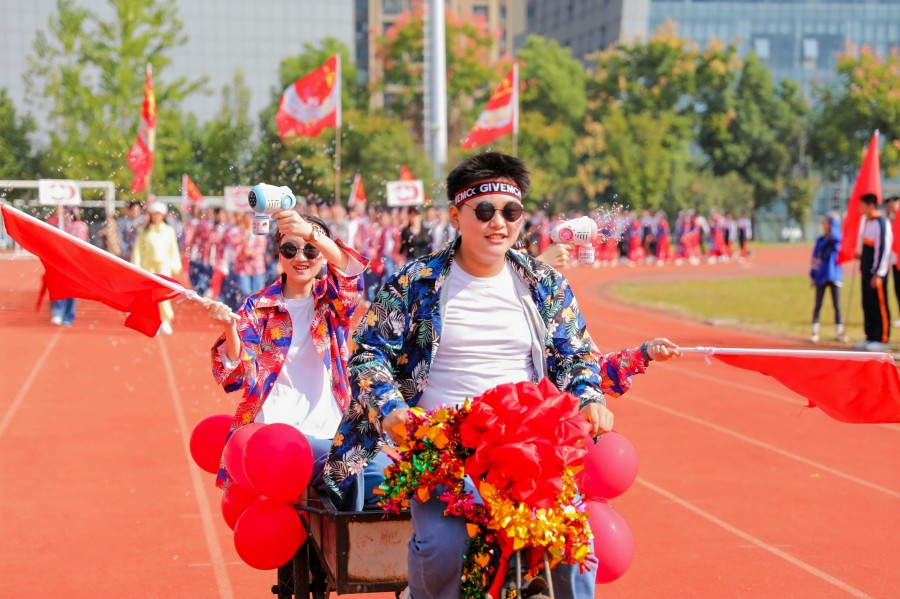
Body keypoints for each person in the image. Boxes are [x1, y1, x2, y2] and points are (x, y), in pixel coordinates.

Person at [325, 152, 681, 599]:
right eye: (484, 211)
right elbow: (368, 354)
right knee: (443, 547)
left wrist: (590, 397)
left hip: (530, 446)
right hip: (444, 445)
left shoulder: (544, 283)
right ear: (456, 215)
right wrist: (391, 408)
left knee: (574, 549)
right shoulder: (415, 282)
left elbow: (575, 356)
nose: (499, 223)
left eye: (511, 212)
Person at [206, 210, 388, 508]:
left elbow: (351, 272)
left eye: (310, 249)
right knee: (344, 472)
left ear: (323, 254)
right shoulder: (258, 306)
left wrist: (311, 232)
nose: (300, 257)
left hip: (334, 431)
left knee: (390, 482)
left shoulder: (332, 301)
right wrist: (229, 328)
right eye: (290, 249)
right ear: (278, 254)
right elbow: (237, 374)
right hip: (276, 434)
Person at [131, 202, 182, 335]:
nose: (156, 216)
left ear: (163, 215)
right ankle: (153, 320)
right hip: (148, 266)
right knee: (150, 295)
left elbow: (173, 248)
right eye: (154, 214)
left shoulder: (169, 231)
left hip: (164, 266)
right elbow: (138, 250)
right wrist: (136, 265)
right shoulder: (144, 232)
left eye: (159, 214)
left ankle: (165, 320)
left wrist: (176, 264)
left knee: (163, 294)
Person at [854, 193, 892, 351]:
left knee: (879, 305)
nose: (859, 208)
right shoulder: (866, 221)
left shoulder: (881, 223)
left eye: (861, 205)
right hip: (866, 271)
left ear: (870, 206)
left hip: (876, 273)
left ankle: (882, 339)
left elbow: (883, 249)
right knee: (867, 304)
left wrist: (878, 274)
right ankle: (870, 337)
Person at [48, 207, 89, 326]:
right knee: (57, 286)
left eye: (69, 212)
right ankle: (57, 312)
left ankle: (68, 316)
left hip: (73, 261)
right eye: (66, 212)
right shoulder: (56, 224)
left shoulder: (80, 226)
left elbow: (81, 243)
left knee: (70, 289)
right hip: (58, 260)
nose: (67, 214)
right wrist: (57, 216)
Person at [809, 213, 846, 343]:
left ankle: (839, 332)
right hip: (821, 275)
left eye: (827, 222)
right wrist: (813, 275)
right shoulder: (820, 240)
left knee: (837, 305)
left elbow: (835, 238)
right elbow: (815, 258)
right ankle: (815, 331)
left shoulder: (838, 237)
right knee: (818, 304)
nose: (824, 225)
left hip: (835, 275)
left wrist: (834, 222)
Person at [885, 195, 900, 328]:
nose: (890, 208)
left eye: (892, 205)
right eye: (888, 206)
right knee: (897, 288)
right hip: (895, 260)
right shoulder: (890, 221)